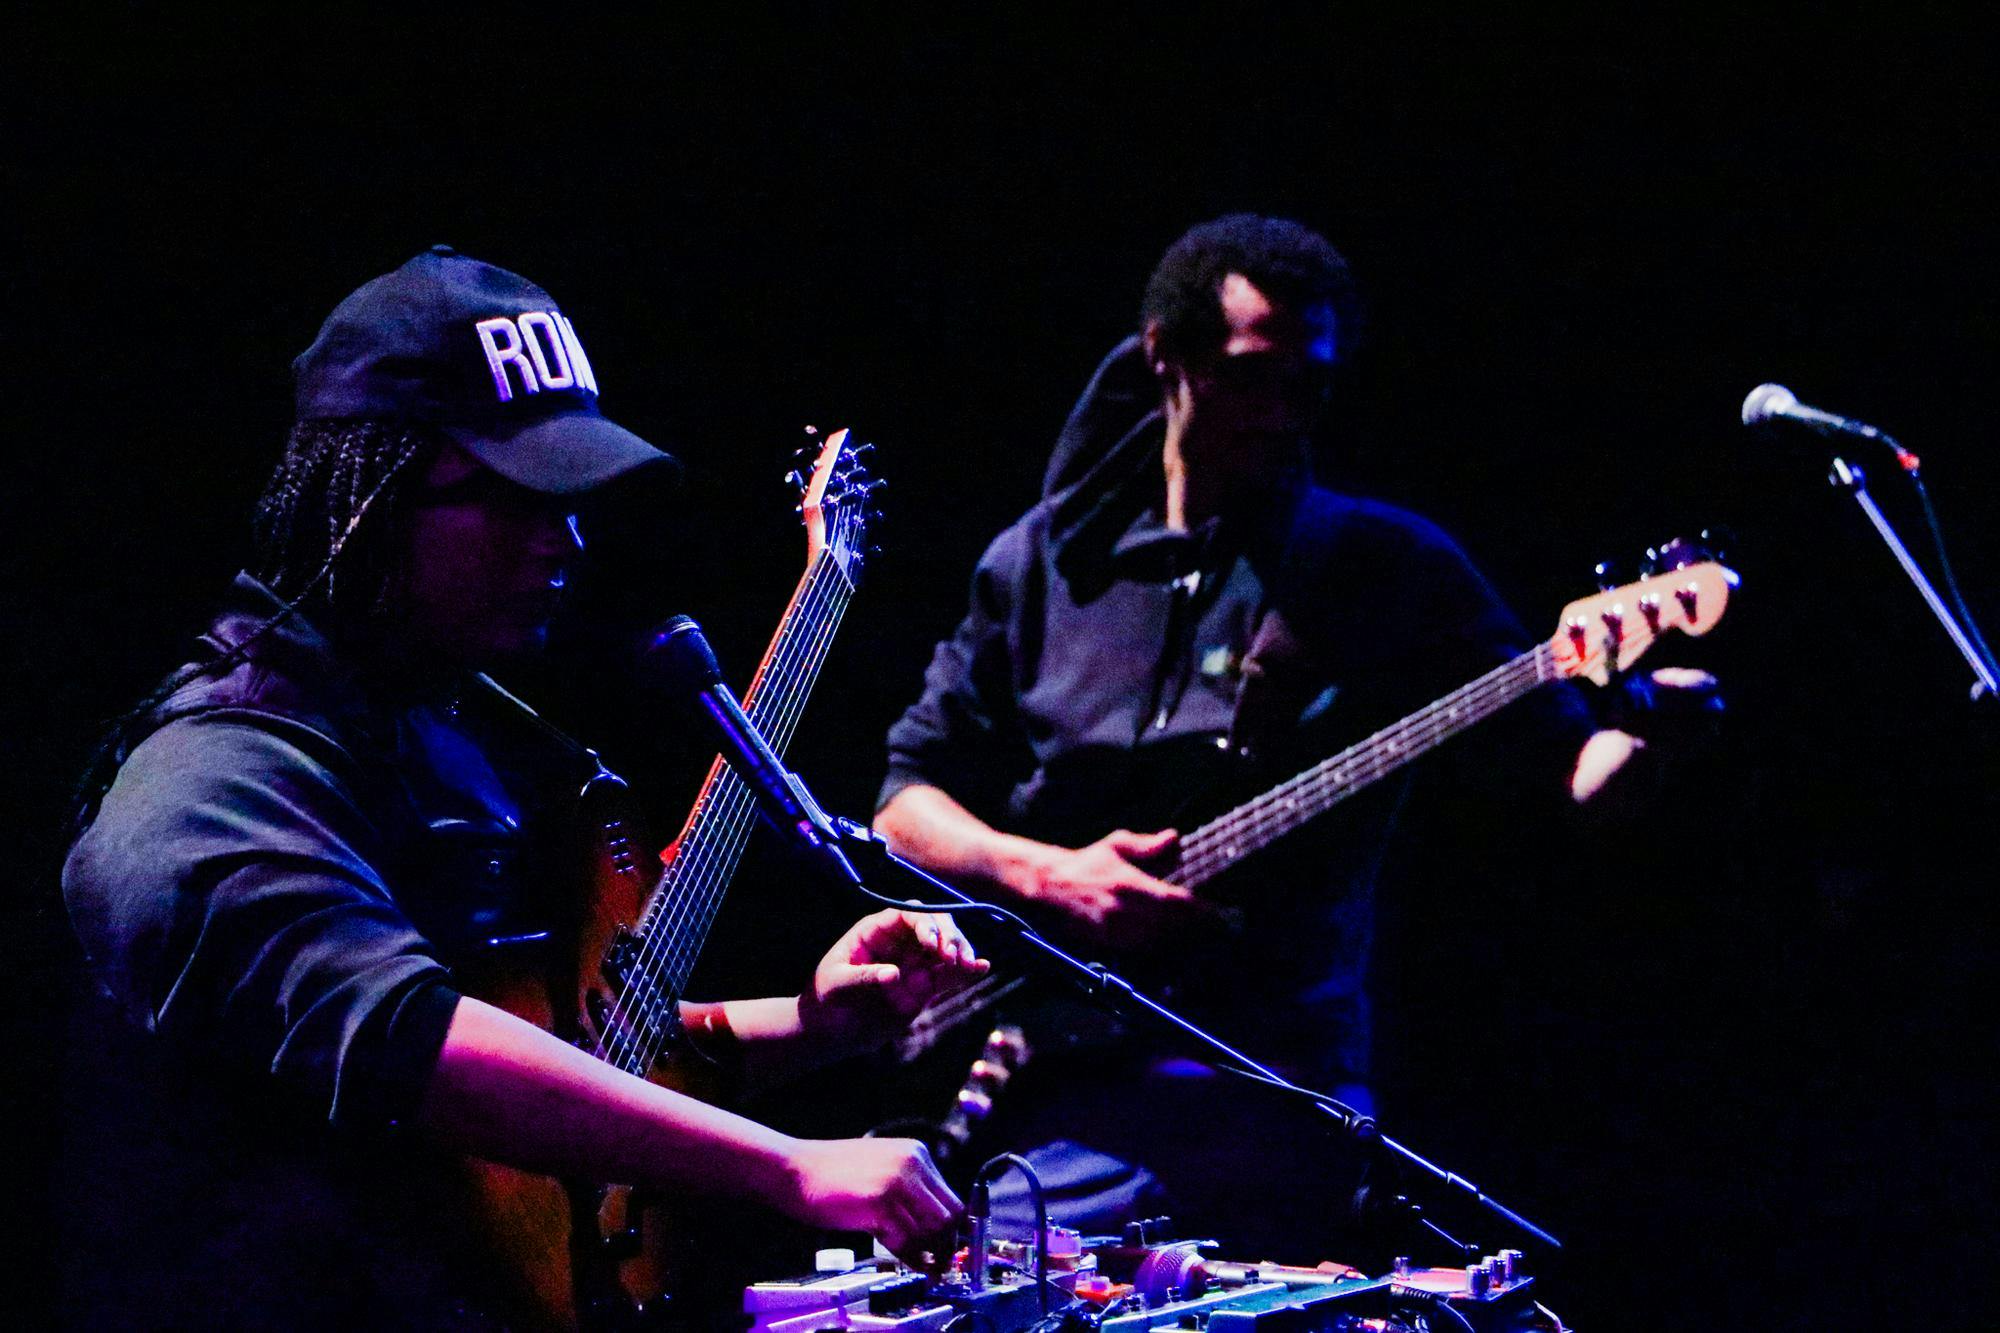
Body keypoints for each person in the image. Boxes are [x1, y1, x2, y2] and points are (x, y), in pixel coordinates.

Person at [58, 247, 987, 1330]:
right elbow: (418, 1045)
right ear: (374, 498)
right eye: (516, 500)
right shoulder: (213, 780)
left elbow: (551, 1051)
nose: (565, 541)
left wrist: (809, 1024)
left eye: (572, 503)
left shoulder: (453, 724)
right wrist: (785, 1165)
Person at [873, 214, 1702, 1254]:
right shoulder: (1037, 564)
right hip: (1030, 1069)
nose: (1279, 414)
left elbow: (1571, 767)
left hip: (1263, 1086)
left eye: (1305, 387)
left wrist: (1653, 736)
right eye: (1249, 377)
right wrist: (1041, 875)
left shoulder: (1377, 565)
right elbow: (903, 805)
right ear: (1163, 355)